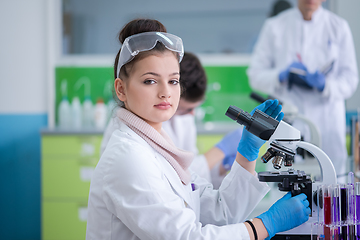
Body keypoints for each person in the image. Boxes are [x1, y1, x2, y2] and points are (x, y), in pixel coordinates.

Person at [86, 18, 310, 239]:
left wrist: (246, 154)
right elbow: (187, 237)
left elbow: (220, 212)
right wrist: (265, 225)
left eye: (173, 81)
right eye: (150, 81)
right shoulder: (128, 157)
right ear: (121, 89)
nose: (166, 92)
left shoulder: (161, 148)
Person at [247, 0, 359, 180]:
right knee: (285, 183)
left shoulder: (338, 27)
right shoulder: (275, 27)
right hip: (290, 120)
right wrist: (280, 76)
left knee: (331, 185)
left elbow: (350, 79)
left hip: (327, 122)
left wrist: (326, 86)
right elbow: (255, 75)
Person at [101, 51, 243, 188]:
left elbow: (188, 175)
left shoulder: (183, 118)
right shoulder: (132, 134)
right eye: (150, 81)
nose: (191, 114)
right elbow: (174, 174)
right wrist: (219, 151)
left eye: (173, 81)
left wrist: (220, 167)